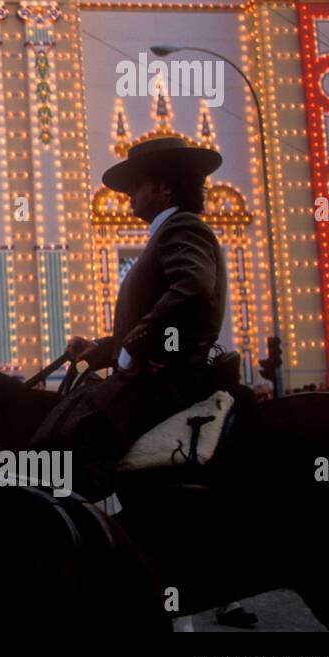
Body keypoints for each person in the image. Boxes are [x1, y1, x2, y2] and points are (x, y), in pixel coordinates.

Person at [37, 135, 228, 486]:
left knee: (63, 447)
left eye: (138, 185)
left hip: (167, 380)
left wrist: (135, 345)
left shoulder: (182, 227)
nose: (130, 194)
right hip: (157, 373)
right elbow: (159, 314)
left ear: (165, 188)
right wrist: (103, 349)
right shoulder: (166, 233)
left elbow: (193, 287)